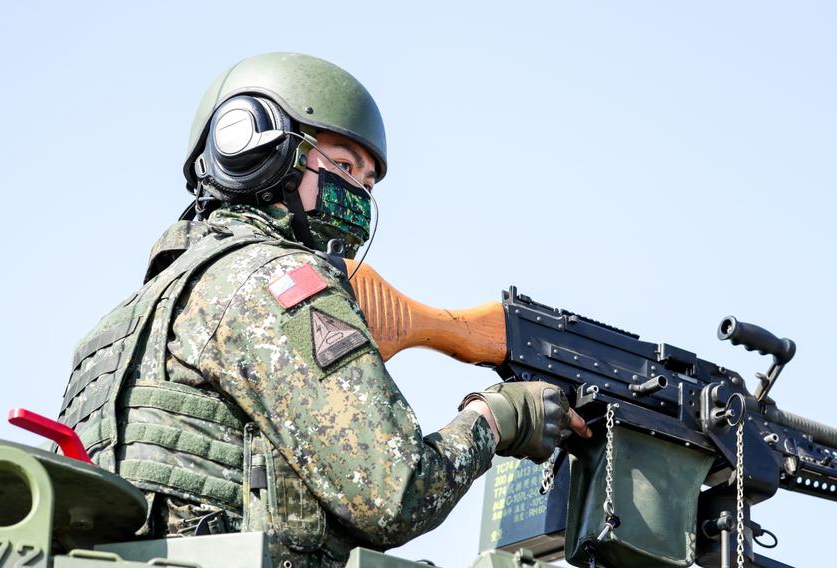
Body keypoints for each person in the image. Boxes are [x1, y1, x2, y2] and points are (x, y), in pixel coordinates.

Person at [57, 52, 590, 567]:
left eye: (369, 182)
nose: (359, 194)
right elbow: (395, 492)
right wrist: (497, 417)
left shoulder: (109, 333)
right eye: (343, 165)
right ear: (258, 150)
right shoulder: (277, 282)